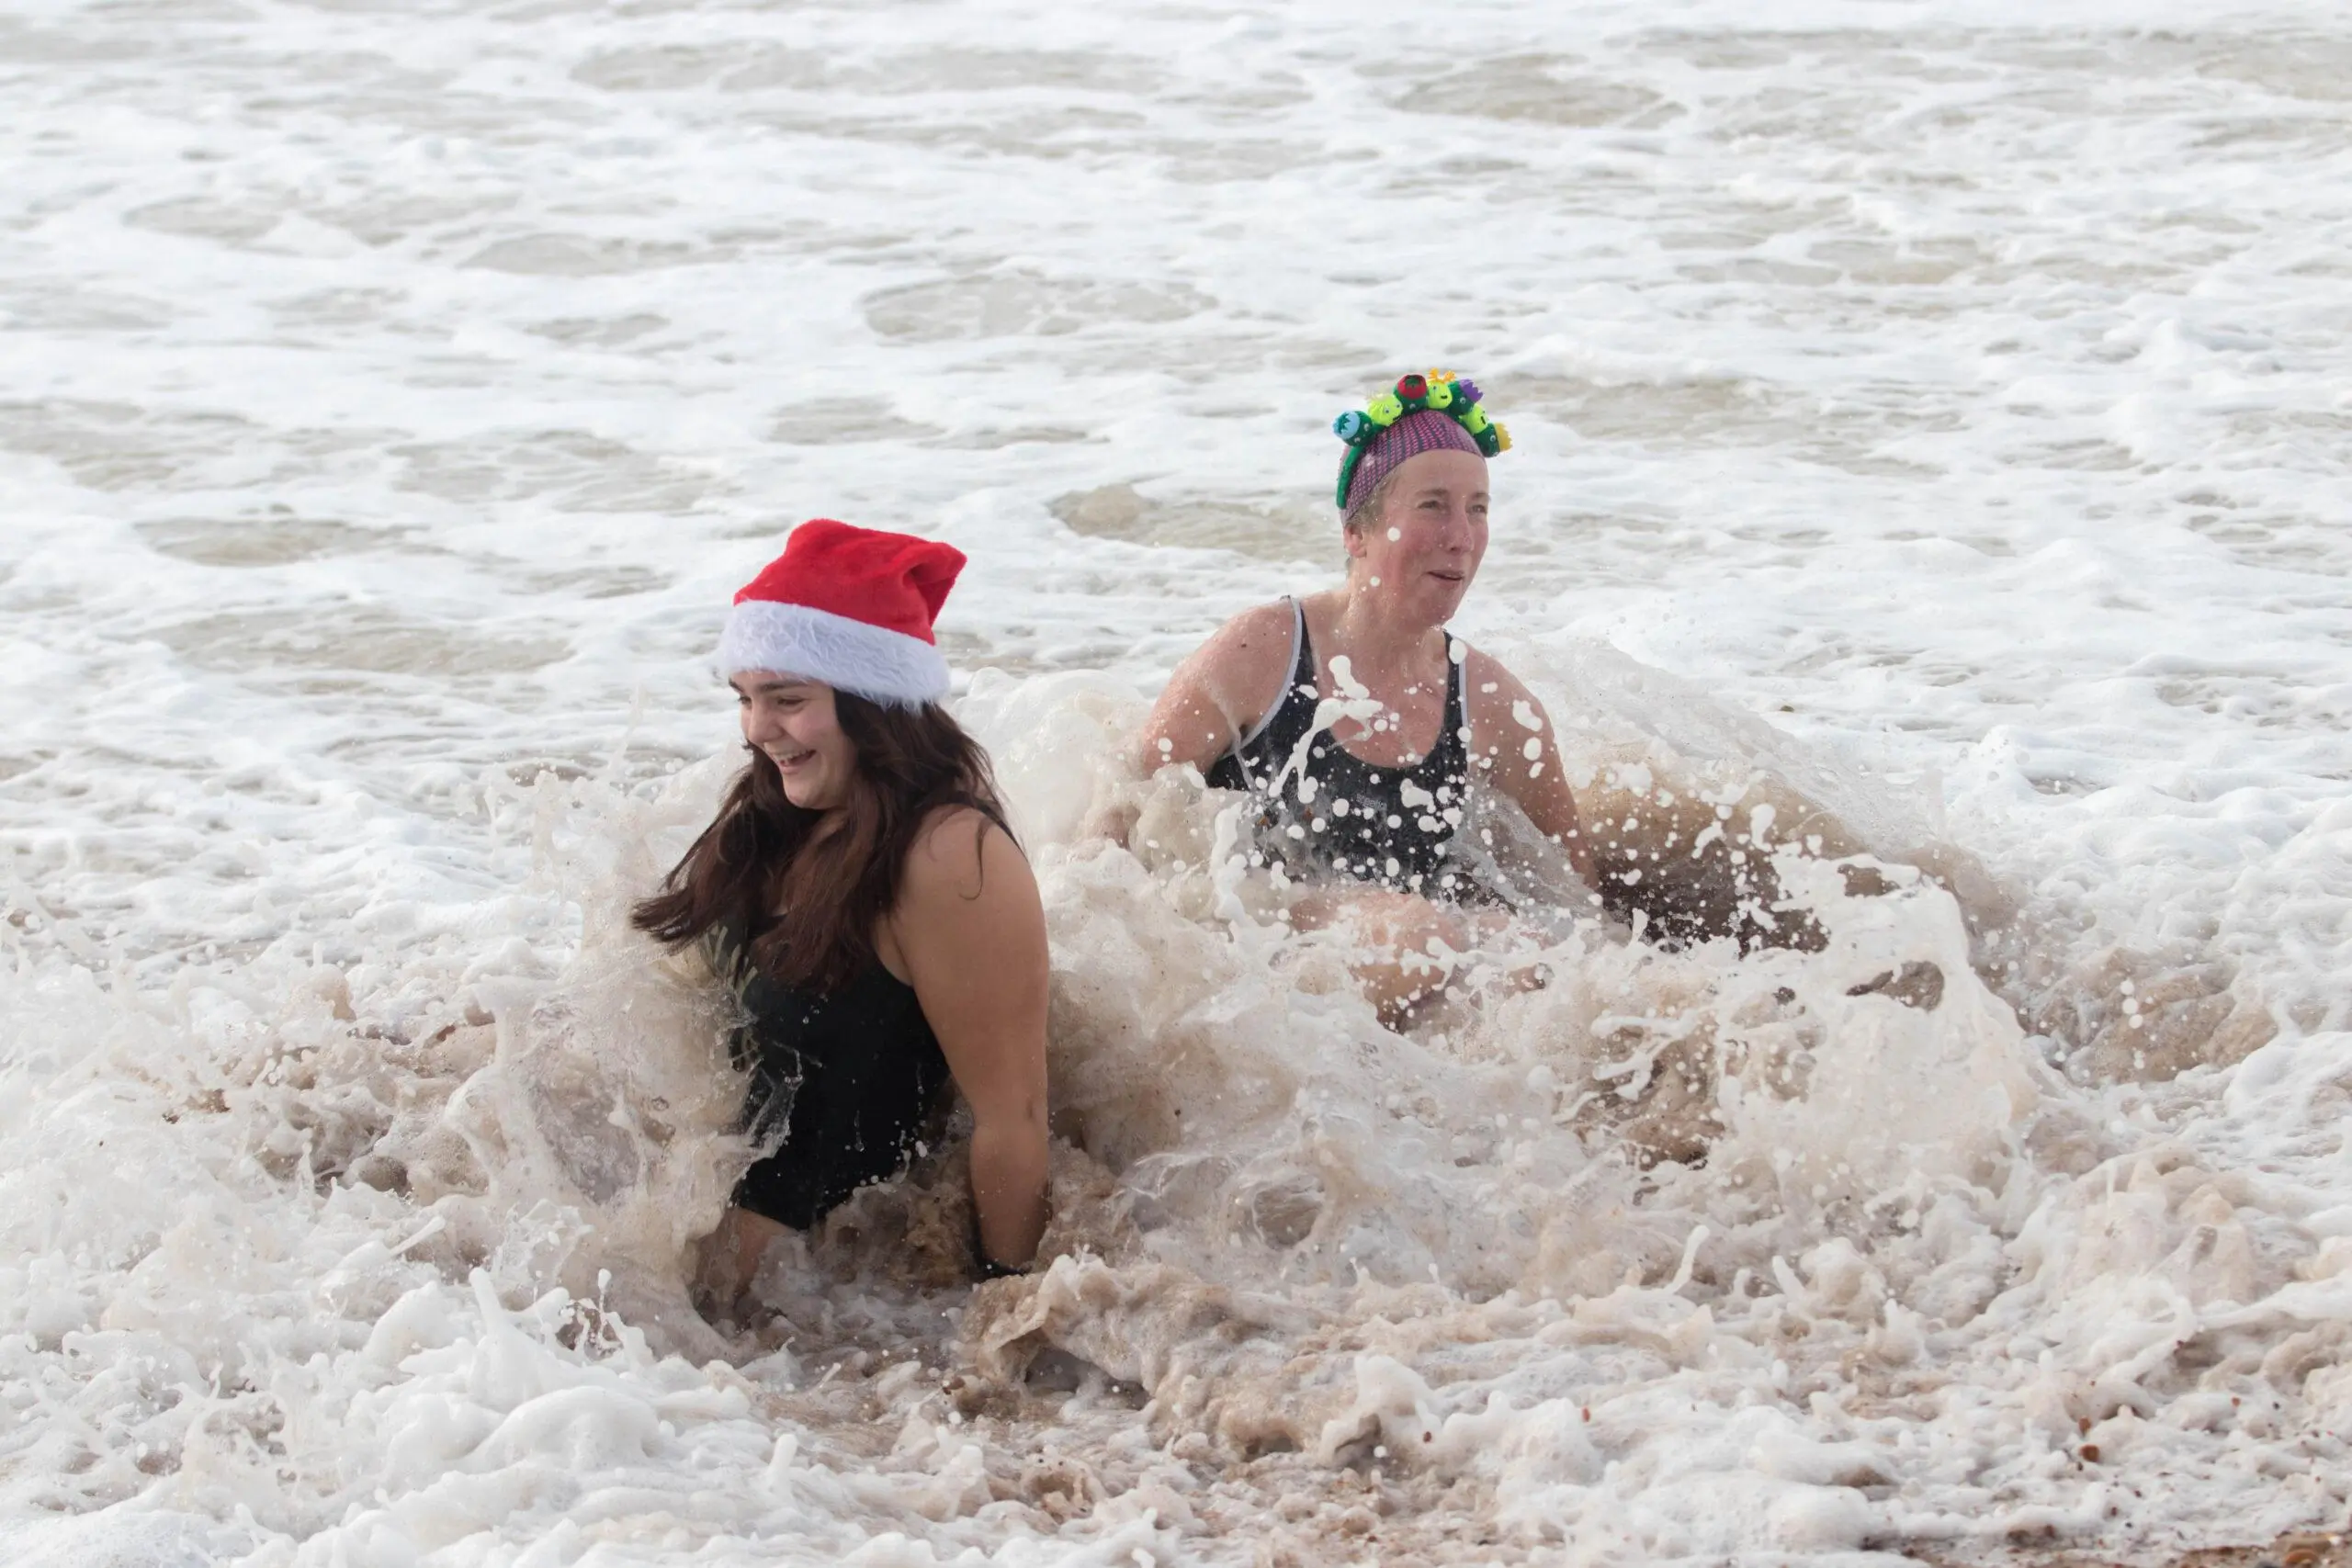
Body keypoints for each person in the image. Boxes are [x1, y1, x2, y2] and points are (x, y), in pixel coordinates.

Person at [634, 520, 1050, 1310]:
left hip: (817, 1311)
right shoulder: (777, 816)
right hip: (693, 1294)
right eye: (747, 700)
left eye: (788, 701)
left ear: (876, 702)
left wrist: (1005, 1311)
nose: (759, 731)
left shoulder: (949, 857)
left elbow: (1015, 1118)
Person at [1134, 372, 1597, 1018]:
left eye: (1479, 508)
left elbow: (1578, 898)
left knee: (1520, 947)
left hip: (1397, 968)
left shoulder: (1496, 706)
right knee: (1416, 933)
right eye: (1433, 505)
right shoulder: (1262, 652)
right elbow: (1126, 811)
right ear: (1357, 533)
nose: (1461, 536)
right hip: (1249, 954)